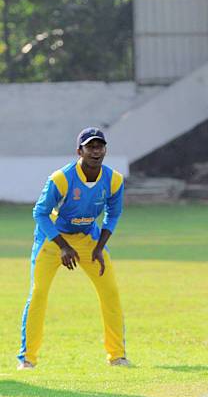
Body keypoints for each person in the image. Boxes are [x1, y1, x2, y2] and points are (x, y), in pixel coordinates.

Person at [17, 127, 130, 369]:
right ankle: (27, 359)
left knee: (110, 292)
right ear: (79, 151)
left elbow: (114, 214)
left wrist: (100, 247)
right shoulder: (61, 178)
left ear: (105, 150)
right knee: (38, 293)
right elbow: (40, 213)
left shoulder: (114, 179)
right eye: (90, 147)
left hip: (89, 239)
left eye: (100, 146)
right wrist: (63, 246)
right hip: (53, 239)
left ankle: (117, 356)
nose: (95, 151)